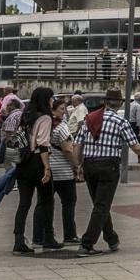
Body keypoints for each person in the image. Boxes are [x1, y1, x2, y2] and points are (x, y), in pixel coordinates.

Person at [74, 89, 140, 257]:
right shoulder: (120, 121)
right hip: (109, 166)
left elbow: (77, 145)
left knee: (100, 204)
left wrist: (78, 165)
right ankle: (87, 244)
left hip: (90, 164)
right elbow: (135, 145)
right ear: (121, 104)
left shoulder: (89, 119)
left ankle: (111, 238)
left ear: (105, 102)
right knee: (102, 205)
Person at [11, 88, 55, 255]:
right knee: (46, 200)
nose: (52, 101)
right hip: (37, 161)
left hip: (23, 162)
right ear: (46, 100)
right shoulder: (45, 118)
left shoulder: (25, 116)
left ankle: (18, 240)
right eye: (51, 98)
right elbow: (43, 144)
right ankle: (48, 238)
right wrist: (47, 168)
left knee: (24, 203)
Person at [36, 96, 82, 249]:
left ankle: (38, 236)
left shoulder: (42, 126)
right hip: (63, 172)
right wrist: (76, 166)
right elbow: (68, 149)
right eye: (62, 109)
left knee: (42, 203)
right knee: (69, 203)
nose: (65, 112)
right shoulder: (61, 127)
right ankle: (70, 234)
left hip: (45, 170)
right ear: (53, 110)